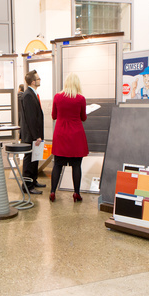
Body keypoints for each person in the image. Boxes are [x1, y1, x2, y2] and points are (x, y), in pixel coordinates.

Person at [49, 73, 88, 203]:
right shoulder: (81, 99)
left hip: (61, 134)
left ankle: (53, 192)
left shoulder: (57, 97)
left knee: (57, 165)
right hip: (76, 135)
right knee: (76, 166)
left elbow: (54, 115)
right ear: (77, 84)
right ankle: (76, 193)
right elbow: (83, 117)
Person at [20, 70, 45, 194]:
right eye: (38, 78)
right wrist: (36, 136)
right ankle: (27, 186)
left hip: (35, 135)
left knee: (35, 159)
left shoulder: (32, 94)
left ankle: (33, 181)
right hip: (31, 136)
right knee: (29, 160)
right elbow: (30, 119)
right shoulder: (28, 95)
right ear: (33, 81)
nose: (40, 80)